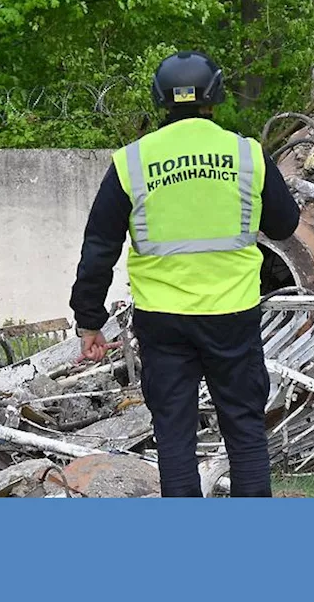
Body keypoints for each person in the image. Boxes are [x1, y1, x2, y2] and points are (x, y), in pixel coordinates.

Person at [69, 50, 301, 497]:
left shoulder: (132, 162)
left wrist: (89, 320)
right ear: (215, 95)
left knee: (175, 434)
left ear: (160, 99)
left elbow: (99, 246)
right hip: (232, 313)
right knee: (245, 429)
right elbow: (285, 225)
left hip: (163, 319)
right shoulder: (246, 155)